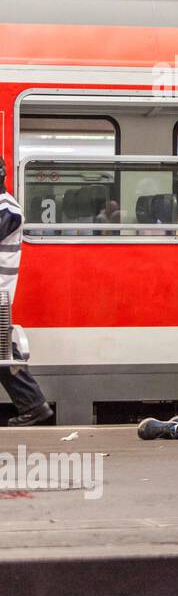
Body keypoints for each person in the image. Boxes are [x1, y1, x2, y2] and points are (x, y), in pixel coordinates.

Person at [0, 156, 55, 428]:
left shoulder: (7, 209)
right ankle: (34, 406)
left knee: (4, 351)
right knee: (3, 351)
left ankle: (34, 406)